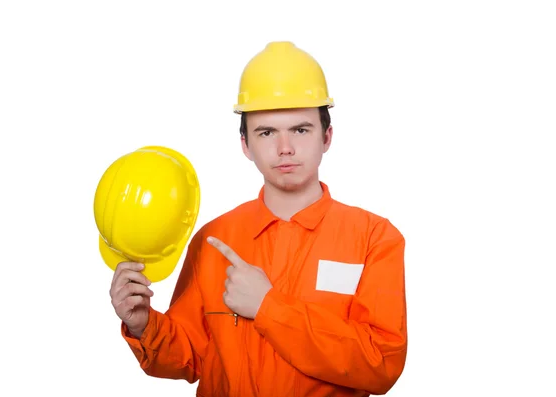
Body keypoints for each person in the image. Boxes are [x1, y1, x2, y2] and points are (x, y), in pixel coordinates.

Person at [109, 41, 408, 396]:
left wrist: (268, 307)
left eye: (300, 130)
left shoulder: (374, 239)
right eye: (267, 132)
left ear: (327, 136)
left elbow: (381, 364)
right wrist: (144, 326)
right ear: (245, 145)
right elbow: (190, 357)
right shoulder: (213, 239)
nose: (285, 148)